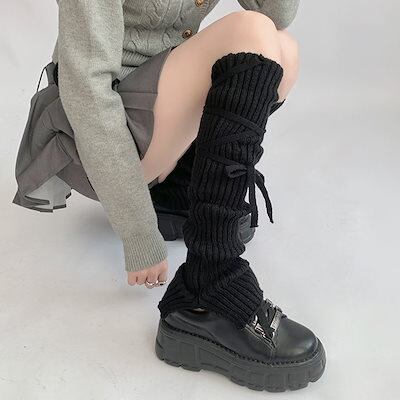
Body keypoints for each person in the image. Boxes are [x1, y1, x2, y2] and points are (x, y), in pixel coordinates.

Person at [13, 0, 326, 392]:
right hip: (95, 138)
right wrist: (138, 228)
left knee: (282, 48)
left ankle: (177, 190)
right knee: (250, 33)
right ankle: (208, 285)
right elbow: (86, 92)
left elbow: (277, 14)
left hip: (156, 125)